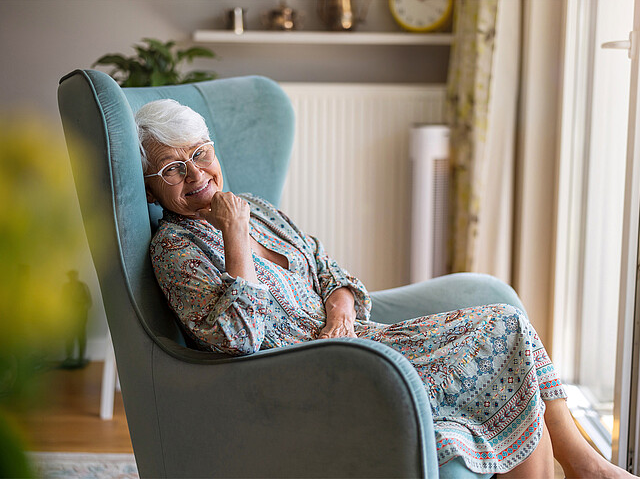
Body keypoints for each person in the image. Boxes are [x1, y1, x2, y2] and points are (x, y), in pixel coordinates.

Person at [138, 98, 633, 478]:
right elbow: (239, 339)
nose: (196, 173)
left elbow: (334, 273)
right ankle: (583, 463)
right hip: (308, 375)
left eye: (201, 154)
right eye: (172, 169)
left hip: (355, 344)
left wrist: (340, 316)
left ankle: (578, 460)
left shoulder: (252, 207)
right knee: (500, 328)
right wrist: (235, 238)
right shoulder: (175, 250)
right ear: (150, 187)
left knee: (505, 339)